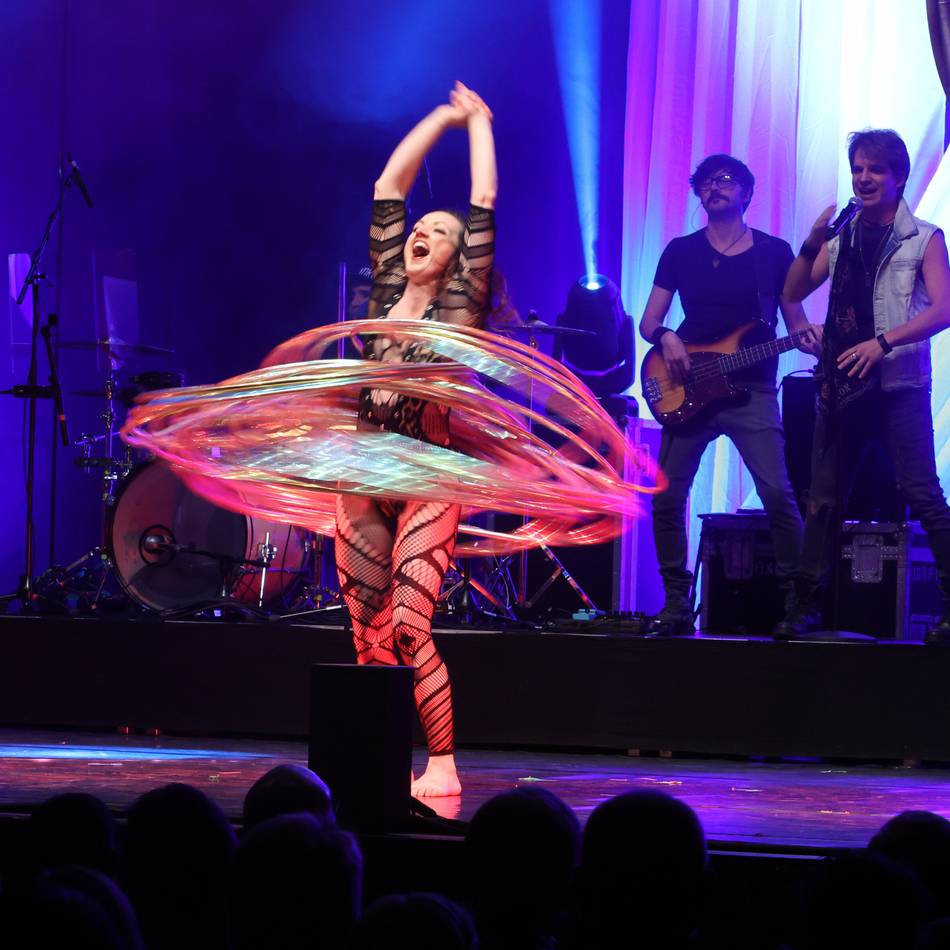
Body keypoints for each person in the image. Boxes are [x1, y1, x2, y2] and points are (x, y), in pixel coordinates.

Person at [334, 81, 496, 797]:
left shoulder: (461, 307)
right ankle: (380, 759)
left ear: (459, 256)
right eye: (418, 227)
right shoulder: (381, 297)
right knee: (368, 633)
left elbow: (483, 199)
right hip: (364, 476)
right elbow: (387, 186)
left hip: (428, 478)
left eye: (440, 229)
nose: (421, 230)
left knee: (409, 623)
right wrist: (438, 115)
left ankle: (443, 761)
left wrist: (477, 122)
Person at [775, 129, 950, 641]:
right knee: (822, 501)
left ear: (899, 177)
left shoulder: (924, 238)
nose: (864, 178)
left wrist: (884, 342)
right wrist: (812, 240)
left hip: (899, 387)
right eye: (857, 169)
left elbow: (943, 311)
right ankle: (804, 607)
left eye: (875, 169)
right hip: (842, 386)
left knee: (922, 494)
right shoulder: (842, 236)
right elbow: (792, 291)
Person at [639, 154, 821, 636]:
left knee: (778, 494)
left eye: (725, 180)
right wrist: (666, 337)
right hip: (687, 388)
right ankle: (677, 602)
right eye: (705, 182)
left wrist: (810, 339)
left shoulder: (774, 253)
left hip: (751, 389)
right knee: (667, 497)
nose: (713, 187)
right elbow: (650, 320)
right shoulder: (680, 251)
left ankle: (797, 603)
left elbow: (795, 319)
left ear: (747, 192)